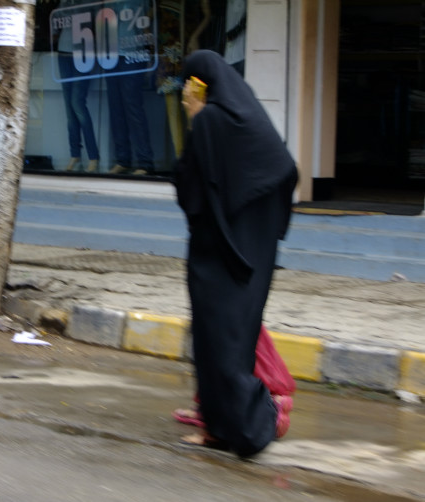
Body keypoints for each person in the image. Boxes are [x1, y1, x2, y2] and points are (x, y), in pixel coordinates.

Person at [173, 50, 298, 457]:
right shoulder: (250, 119)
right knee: (236, 342)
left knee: (215, 343)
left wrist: (194, 119)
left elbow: (191, 192)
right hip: (253, 258)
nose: (183, 94)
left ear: (198, 86)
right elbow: (284, 172)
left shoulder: (209, 120)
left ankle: (241, 426)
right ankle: (219, 420)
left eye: (187, 86)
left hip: (217, 258)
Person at [56, 0, 99, 173]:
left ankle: (93, 156)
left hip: (84, 52)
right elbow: (58, 17)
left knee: (77, 103)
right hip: (64, 52)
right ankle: (75, 155)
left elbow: (96, 20)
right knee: (70, 108)